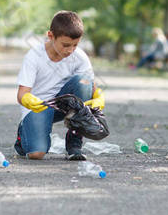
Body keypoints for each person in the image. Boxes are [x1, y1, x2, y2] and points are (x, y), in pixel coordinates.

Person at [15, 11, 105, 161]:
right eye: (65, 45)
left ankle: (74, 141)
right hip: (39, 106)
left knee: (83, 81)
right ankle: (23, 134)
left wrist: (99, 98)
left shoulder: (79, 57)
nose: (70, 50)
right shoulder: (34, 56)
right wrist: (28, 100)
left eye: (75, 45)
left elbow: (90, 86)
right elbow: (22, 94)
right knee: (36, 154)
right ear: (51, 36)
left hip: (63, 104)